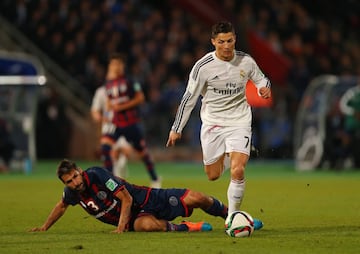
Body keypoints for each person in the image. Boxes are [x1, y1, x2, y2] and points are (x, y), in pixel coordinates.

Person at [166, 21, 271, 228]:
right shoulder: (202, 67)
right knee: (213, 175)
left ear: (235, 39)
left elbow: (262, 79)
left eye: (230, 40)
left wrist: (264, 88)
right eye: (221, 41)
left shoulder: (246, 61)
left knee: (238, 170)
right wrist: (176, 129)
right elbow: (189, 99)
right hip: (213, 123)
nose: (226, 46)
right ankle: (226, 154)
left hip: (239, 121)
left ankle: (232, 217)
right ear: (213, 41)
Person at [29, 159, 227, 233]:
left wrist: (120, 228)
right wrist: (45, 227)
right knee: (147, 226)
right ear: (65, 184)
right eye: (69, 181)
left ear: (79, 171)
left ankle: (232, 216)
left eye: (75, 176)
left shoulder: (97, 175)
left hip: (145, 198)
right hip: (134, 218)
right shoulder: (71, 193)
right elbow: (61, 206)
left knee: (198, 198)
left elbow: (126, 198)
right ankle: (186, 227)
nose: (75, 182)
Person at [100, 53, 161, 187]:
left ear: (122, 66)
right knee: (105, 148)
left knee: (142, 153)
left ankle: (155, 178)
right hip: (115, 123)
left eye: (117, 64)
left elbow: (140, 98)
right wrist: (109, 111)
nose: (115, 67)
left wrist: (121, 106)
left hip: (131, 123)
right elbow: (110, 103)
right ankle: (110, 183)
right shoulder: (108, 84)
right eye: (112, 65)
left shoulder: (131, 81)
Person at [91, 85, 132, 178]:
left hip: (124, 126)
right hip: (109, 129)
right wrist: (100, 118)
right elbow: (96, 112)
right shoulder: (102, 93)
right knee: (111, 154)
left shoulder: (124, 89)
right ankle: (115, 176)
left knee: (126, 151)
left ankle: (119, 168)